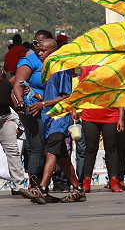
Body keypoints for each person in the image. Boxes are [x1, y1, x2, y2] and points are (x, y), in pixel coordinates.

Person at [25, 39, 86, 204]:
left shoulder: (62, 69)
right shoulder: (48, 69)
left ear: (53, 51)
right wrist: (35, 95)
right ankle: (78, 189)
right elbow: (51, 95)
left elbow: (65, 96)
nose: (39, 53)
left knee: (50, 152)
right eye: (38, 50)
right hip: (49, 120)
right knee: (62, 157)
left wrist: (43, 104)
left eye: (43, 50)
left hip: (59, 119)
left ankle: (42, 188)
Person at [11, 29, 54, 186]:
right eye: (35, 43)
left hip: (52, 109)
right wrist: (21, 103)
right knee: (37, 147)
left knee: (54, 148)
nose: (37, 46)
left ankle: (50, 183)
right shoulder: (29, 61)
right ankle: (34, 184)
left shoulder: (57, 62)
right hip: (33, 109)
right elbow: (17, 84)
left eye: (40, 43)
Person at [79, 65, 125, 193]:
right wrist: (74, 108)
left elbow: (119, 94)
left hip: (111, 115)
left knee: (111, 148)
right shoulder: (88, 67)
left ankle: (114, 181)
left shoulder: (113, 66)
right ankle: (86, 182)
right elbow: (80, 89)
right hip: (90, 114)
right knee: (90, 149)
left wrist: (121, 117)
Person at [0, 67, 29, 198]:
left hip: (5, 119)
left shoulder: (6, 84)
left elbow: (10, 98)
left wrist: (17, 111)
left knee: (13, 151)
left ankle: (19, 185)